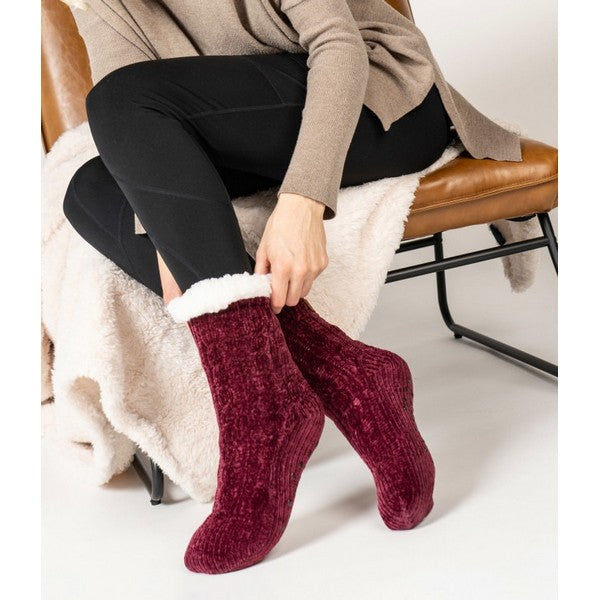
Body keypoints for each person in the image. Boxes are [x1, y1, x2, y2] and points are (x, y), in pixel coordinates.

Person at [60, 0, 521, 574]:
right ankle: (342, 374)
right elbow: (133, 130)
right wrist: (164, 233)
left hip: (377, 97)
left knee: (119, 102)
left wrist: (304, 200)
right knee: (90, 188)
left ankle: (263, 416)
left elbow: (338, 46)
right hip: (245, 122)